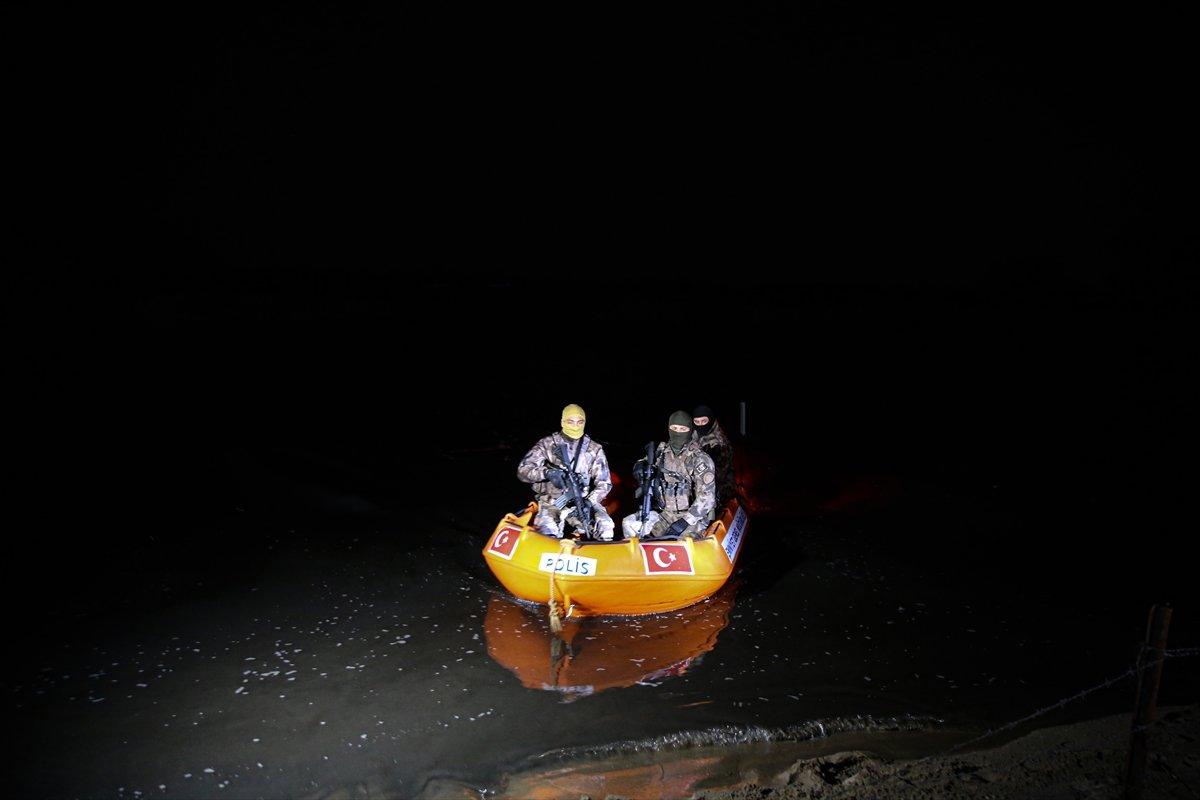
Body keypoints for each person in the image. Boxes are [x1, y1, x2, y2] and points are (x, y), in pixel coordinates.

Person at [517, 404, 615, 540]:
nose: (575, 426)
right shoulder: (547, 444)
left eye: (579, 422)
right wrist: (546, 473)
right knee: (546, 532)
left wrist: (590, 501)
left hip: (581, 502)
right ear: (563, 421)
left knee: (605, 527)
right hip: (552, 502)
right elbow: (523, 471)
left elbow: (604, 483)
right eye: (570, 421)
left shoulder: (594, 449)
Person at [622, 411, 716, 539]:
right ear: (669, 428)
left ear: (689, 430)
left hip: (693, 518)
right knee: (634, 530)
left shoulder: (699, 459)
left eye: (683, 429)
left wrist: (684, 522)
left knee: (683, 546)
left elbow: (707, 498)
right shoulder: (662, 452)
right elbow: (646, 461)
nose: (678, 432)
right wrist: (639, 465)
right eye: (674, 428)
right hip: (666, 514)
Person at [691, 404, 736, 504]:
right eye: (697, 422)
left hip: (718, 495)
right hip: (698, 492)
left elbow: (715, 476)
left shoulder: (718, 445)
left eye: (704, 421)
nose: (700, 425)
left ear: (710, 421)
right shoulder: (692, 439)